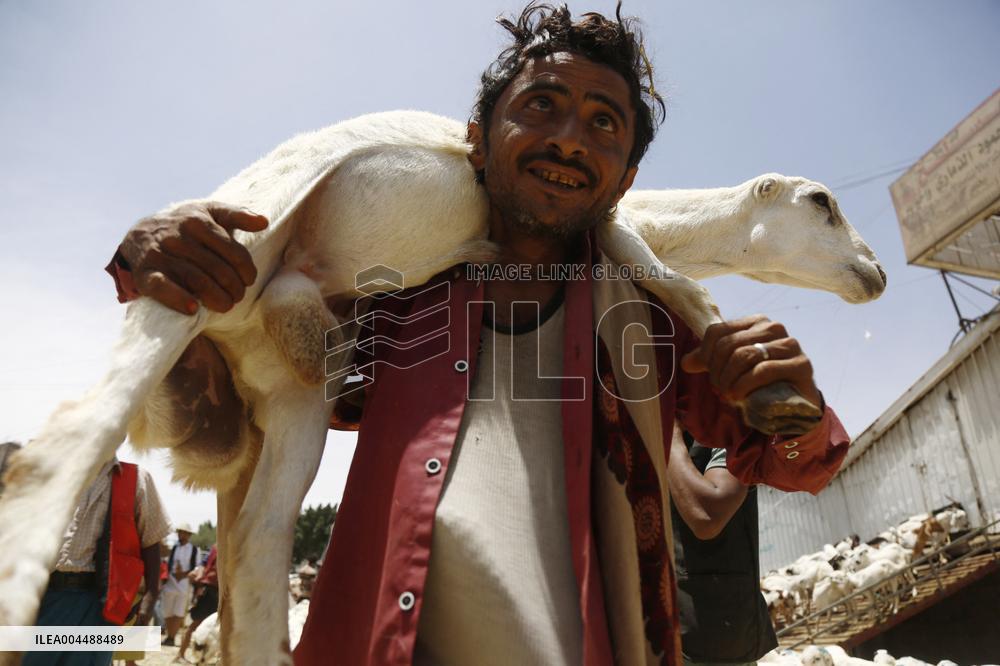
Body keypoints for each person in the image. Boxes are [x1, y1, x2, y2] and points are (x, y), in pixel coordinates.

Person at [105, 5, 850, 665]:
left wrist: (798, 411)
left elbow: (795, 463)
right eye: (542, 105)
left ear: (622, 180)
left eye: (603, 123)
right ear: (477, 142)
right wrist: (149, 256)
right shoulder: (390, 293)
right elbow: (247, 361)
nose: (568, 140)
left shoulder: (653, 326)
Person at [22, 458, 171, 666]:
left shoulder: (136, 478)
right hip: (48, 596)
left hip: (101, 603)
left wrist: (150, 597)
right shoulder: (57, 475)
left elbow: (151, 542)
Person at [668, 428, 777, 665]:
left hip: (713, 631)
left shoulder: (727, 425)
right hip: (654, 625)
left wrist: (670, 434)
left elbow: (707, 517)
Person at [176, 544, 218, 664]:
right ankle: (181, 654)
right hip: (210, 590)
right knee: (196, 624)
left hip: (216, 590)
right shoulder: (218, 547)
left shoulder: (220, 546)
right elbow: (203, 564)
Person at [161, 523, 198, 646]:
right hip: (171, 582)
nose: (181, 535)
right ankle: (169, 635)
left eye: (183, 532)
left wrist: (184, 574)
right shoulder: (173, 548)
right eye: (179, 532)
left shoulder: (194, 550)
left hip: (184, 583)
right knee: (167, 611)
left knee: (179, 611)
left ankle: (171, 637)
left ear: (188, 535)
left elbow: (196, 567)